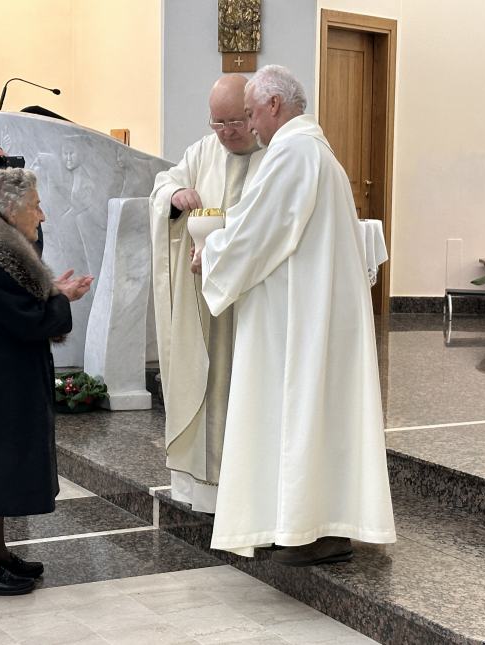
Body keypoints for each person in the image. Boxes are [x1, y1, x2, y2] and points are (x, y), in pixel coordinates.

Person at [194, 65, 397, 564]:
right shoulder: (312, 151)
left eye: (251, 114)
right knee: (312, 417)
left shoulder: (294, 151)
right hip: (306, 314)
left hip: (300, 322)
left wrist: (214, 253)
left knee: (302, 414)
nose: (251, 126)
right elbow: (263, 220)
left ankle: (309, 528)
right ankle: (306, 524)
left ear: (274, 107)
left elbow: (260, 230)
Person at [0, 168, 92, 596]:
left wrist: (51, 291)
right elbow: (24, 320)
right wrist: (60, 300)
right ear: (10, 209)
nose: (41, 215)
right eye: (35, 206)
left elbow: (11, 305)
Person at [149, 75, 266, 513]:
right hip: (206, 306)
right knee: (208, 382)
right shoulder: (203, 151)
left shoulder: (276, 155)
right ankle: (205, 491)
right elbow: (163, 186)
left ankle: (248, 491)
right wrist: (176, 196)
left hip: (254, 303)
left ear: (253, 114)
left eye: (234, 121)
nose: (227, 133)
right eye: (217, 123)